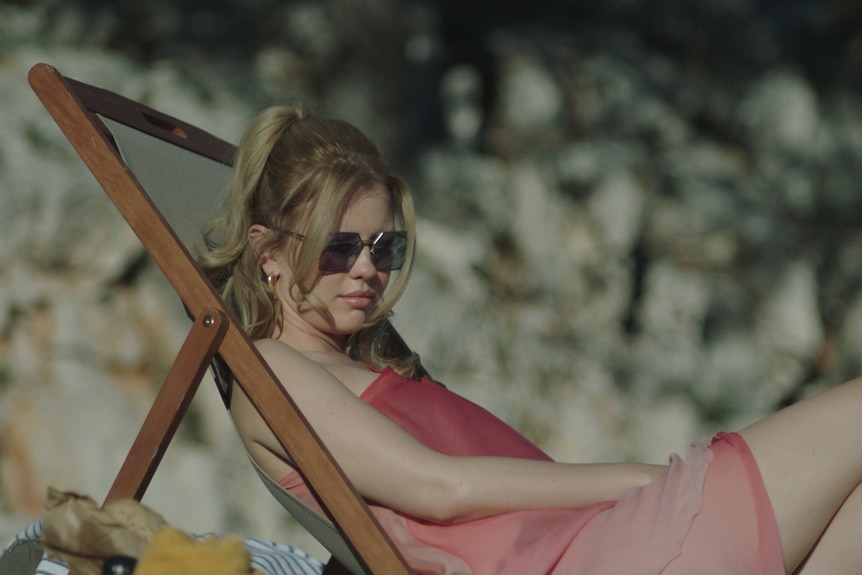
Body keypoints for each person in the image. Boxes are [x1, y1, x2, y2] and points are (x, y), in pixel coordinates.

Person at [199, 104, 862, 575]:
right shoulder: (271, 367)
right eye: (339, 248)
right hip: (595, 556)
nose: (368, 268)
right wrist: (642, 478)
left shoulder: (346, 362)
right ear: (270, 254)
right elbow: (440, 488)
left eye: (384, 246)